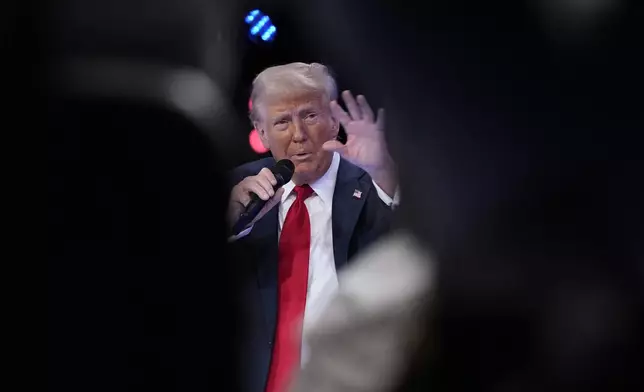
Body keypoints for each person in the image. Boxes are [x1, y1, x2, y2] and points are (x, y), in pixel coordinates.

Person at [227, 62, 400, 392]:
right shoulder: (237, 191)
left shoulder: (373, 182)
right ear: (261, 132)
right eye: (281, 122)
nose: (298, 135)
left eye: (309, 116)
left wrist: (384, 173)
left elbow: (412, 251)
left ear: (334, 121)